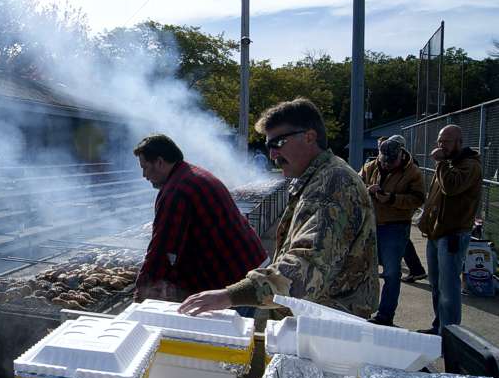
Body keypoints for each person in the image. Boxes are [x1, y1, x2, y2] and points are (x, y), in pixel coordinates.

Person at [179, 98, 379, 318]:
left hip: (328, 324)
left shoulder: (334, 184)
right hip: (318, 317)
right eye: (269, 146)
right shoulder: (320, 177)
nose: (272, 154)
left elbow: (306, 266)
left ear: (309, 137)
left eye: (278, 144)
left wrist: (229, 296)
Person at [132, 134, 267, 304]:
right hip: (249, 266)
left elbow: (163, 248)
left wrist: (141, 294)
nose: (144, 175)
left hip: (237, 277)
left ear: (159, 162)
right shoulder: (190, 174)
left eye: (145, 167)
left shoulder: (177, 190)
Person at [417, 125, 482, 335]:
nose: (441, 145)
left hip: (453, 235)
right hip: (436, 234)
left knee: (449, 290)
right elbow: (435, 197)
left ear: (459, 142)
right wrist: (425, 221)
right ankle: (439, 328)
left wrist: (441, 162)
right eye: (439, 141)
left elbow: (451, 187)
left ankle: (450, 337)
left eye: (446, 141)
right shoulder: (448, 164)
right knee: (436, 286)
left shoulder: (469, 165)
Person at [360, 138, 425, 326]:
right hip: (371, 225)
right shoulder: (371, 166)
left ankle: (385, 315)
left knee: (391, 272)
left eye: (391, 161)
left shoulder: (413, 172)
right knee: (364, 269)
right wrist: (368, 190)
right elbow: (355, 185)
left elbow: (418, 199)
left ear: (400, 155)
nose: (386, 165)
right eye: (383, 160)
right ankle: (363, 309)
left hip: (396, 226)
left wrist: (391, 198)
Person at [386, 135, 428, 283]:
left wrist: (391, 198)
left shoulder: (410, 167)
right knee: (403, 243)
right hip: (391, 214)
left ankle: (416, 270)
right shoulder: (384, 164)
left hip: (400, 214)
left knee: (403, 243)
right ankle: (415, 270)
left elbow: (416, 198)